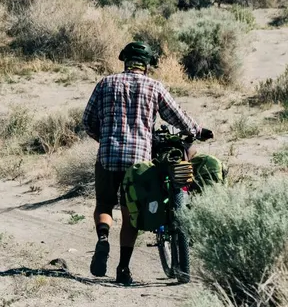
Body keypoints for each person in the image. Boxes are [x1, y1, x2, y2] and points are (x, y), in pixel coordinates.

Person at [82, 41, 212, 286]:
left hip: (108, 156)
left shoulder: (105, 83)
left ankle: (102, 239)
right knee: (131, 215)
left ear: (124, 61)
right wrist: (198, 129)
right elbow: (176, 115)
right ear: (147, 64)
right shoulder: (154, 86)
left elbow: (87, 120)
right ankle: (123, 269)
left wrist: (105, 138)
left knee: (104, 204)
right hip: (139, 161)